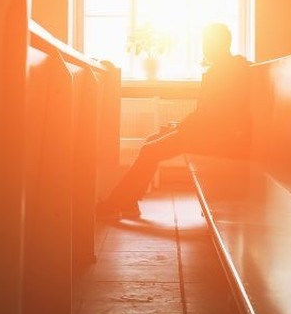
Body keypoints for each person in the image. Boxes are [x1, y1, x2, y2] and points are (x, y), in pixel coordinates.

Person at [98, 22, 252, 218]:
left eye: (208, 43)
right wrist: (179, 127)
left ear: (221, 44)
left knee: (149, 150)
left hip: (216, 137)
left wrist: (181, 127)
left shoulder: (225, 72)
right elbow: (207, 113)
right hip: (210, 132)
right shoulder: (226, 68)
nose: (205, 48)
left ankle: (115, 204)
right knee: (152, 140)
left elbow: (212, 114)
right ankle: (128, 202)